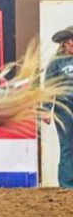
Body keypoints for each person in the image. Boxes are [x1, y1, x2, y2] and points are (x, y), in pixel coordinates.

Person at [43, 26, 73, 189]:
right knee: (67, 145)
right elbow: (49, 86)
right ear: (66, 43)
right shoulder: (56, 63)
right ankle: (67, 185)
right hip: (64, 108)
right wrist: (46, 109)